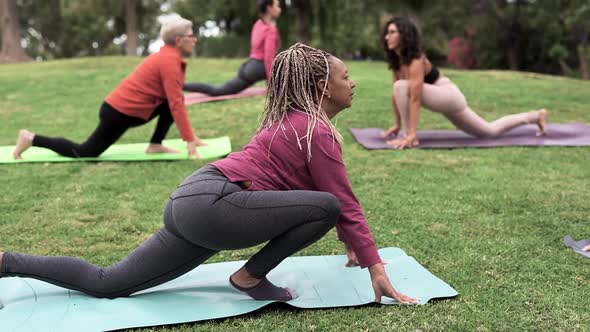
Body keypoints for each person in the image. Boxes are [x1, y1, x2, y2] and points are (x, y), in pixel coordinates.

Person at [0, 43, 418, 305]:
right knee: (327, 207)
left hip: (193, 202)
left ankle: (7, 261)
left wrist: (351, 245)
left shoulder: (292, 122)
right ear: (325, 88)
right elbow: (338, 202)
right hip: (216, 205)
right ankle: (249, 276)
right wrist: (375, 269)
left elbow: (313, 194)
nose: (353, 83)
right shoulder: (314, 130)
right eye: (346, 77)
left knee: (110, 283)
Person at [12, 17, 206, 160]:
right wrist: (189, 140)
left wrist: (190, 136)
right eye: (191, 36)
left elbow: (173, 101)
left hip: (132, 110)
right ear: (179, 40)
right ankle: (31, 138)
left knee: (170, 103)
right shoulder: (169, 61)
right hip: (118, 113)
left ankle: (155, 145)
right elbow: (176, 103)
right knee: (85, 152)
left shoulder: (168, 57)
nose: (195, 39)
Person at [380, 17, 548, 149]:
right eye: (387, 32)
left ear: (405, 35)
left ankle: (409, 136)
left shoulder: (416, 59)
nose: (387, 37)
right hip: (439, 97)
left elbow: (414, 98)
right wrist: (396, 124)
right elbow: (397, 96)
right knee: (488, 131)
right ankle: (535, 116)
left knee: (401, 86)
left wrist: (412, 134)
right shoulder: (397, 60)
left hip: (448, 94)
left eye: (392, 32)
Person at [183, 0, 281, 96]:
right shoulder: (270, 30)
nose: (279, 9)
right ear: (269, 8)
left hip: (248, 66)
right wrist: (271, 84)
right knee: (287, 66)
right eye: (277, 6)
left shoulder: (258, 25)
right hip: (258, 68)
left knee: (217, 90)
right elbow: (269, 58)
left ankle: (181, 86)